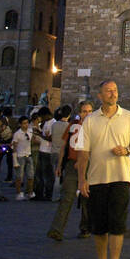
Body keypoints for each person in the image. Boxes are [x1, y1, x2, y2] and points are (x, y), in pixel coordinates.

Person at [75, 80, 130, 259]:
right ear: (100, 95)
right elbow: (83, 152)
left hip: (121, 178)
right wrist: (82, 179)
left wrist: (126, 150)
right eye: (108, 91)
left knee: (117, 226)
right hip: (96, 179)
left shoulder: (129, 117)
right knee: (99, 228)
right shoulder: (90, 120)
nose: (113, 94)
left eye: (115, 90)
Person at [48, 101, 92, 240]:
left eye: (90, 111)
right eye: (84, 111)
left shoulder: (96, 127)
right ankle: (57, 229)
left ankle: (85, 228)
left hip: (89, 166)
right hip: (72, 165)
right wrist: (60, 165)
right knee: (67, 197)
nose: (87, 114)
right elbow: (64, 146)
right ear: (79, 113)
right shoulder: (73, 126)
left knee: (87, 198)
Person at [11, 117, 33, 200]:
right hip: (20, 156)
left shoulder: (30, 131)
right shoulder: (17, 134)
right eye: (24, 123)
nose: (26, 125)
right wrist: (15, 160)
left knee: (30, 175)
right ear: (20, 124)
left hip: (29, 154)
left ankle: (30, 192)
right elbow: (14, 147)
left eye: (27, 123)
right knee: (19, 176)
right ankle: (19, 192)